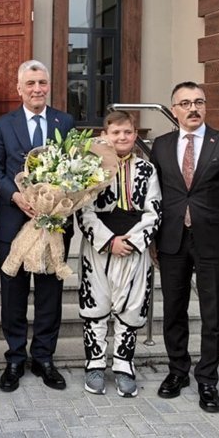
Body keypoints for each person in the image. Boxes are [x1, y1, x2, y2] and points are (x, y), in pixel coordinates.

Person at [149, 81, 219, 413]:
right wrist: (153, 240)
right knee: (174, 309)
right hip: (172, 239)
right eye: (186, 103)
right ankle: (178, 370)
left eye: (199, 102)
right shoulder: (161, 145)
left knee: (213, 313)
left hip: (214, 241)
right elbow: (155, 196)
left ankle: (207, 378)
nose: (193, 108)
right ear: (174, 110)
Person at [0, 59, 75, 392]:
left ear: (48, 86)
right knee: (13, 295)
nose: (37, 89)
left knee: (50, 295)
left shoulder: (65, 121)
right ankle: (14, 358)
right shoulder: (2, 125)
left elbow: (75, 169)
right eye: (31, 83)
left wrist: (59, 200)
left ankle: (44, 358)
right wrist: (15, 196)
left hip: (53, 225)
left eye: (42, 83)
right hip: (15, 221)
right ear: (19, 88)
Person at [77, 110, 161, 397]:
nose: (122, 137)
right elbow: (83, 209)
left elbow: (154, 210)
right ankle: (95, 364)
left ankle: (124, 364)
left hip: (134, 248)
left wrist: (134, 241)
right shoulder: (91, 168)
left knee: (132, 306)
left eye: (127, 132)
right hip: (99, 247)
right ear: (105, 135)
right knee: (96, 305)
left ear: (135, 135)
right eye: (116, 133)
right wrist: (108, 240)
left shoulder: (147, 170)